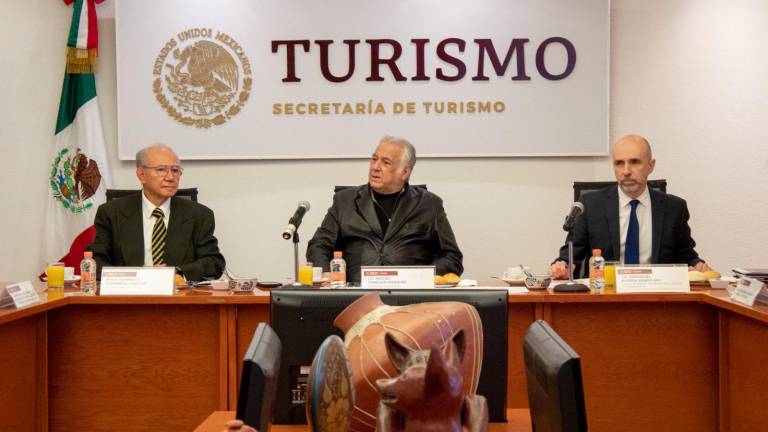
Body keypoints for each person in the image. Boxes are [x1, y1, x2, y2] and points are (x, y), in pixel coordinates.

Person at [549, 134, 709, 279]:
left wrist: (697, 265)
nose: (626, 171)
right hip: (605, 294)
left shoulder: (674, 208)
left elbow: (687, 257)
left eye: (634, 162)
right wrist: (563, 267)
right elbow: (570, 257)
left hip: (657, 295)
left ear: (651, 165)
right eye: (619, 163)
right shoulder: (590, 205)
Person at [307, 136, 463, 282]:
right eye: (374, 159)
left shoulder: (429, 204)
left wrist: (422, 278)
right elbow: (319, 245)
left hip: (410, 295)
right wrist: (326, 274)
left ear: (405, 172)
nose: (375, 167)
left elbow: (452, 256)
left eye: (385, 162)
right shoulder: (344, 201)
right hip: (356, 294)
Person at [89, 144, 225, 281]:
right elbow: (95, 263)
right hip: (131, 291)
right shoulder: (111, 213)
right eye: (161, 170)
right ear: (141, 175)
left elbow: (214, 262)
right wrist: (139, 275)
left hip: (179, 291)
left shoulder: (200, 215)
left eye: (175, 170)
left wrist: (177, 273)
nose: (170, 177)